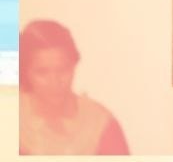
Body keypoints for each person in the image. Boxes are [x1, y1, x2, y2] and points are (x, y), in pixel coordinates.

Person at [18, 19, 129, 155]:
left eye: (62, 69)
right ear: (25, 72)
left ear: (73, 67)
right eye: (42, 72)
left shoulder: (100, 124)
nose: (54, 82)